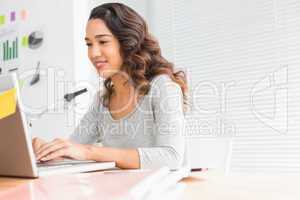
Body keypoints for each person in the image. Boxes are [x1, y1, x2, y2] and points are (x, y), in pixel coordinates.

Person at [32, 3, 188, 170]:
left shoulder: (162, 87)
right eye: (89, 44)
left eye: (103, 41)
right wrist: (44, 148)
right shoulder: (102, 100)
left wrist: (91, 152)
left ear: (128, 42)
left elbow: (171, 158)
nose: (93, 53)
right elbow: (75, 148)